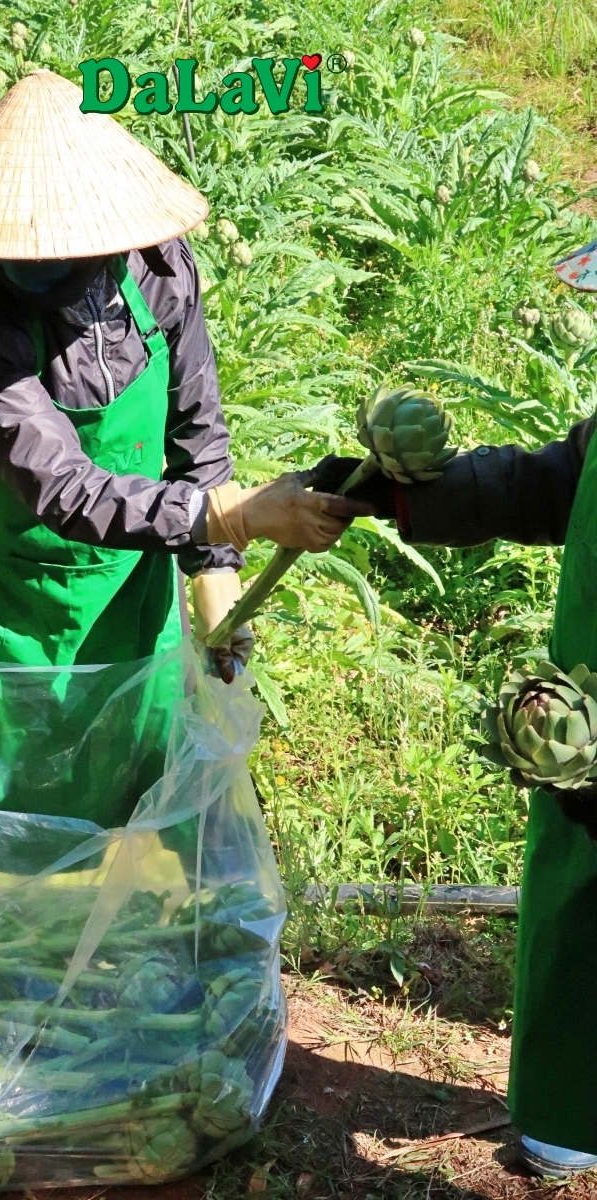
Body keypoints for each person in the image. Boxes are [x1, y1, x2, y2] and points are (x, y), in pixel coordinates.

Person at [0, 69, 371, 825]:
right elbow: (63, 488)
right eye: (21, 252)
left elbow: (197, 440)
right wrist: (237, 515)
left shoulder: (161, 273)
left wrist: (217, 600)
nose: (40, 264)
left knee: (127, 785)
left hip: (130, 577)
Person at [307, 238, 597, 1179]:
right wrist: (402, 491)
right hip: (585, 738)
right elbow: (545, 485)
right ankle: (570, 1120)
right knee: (576, 915)